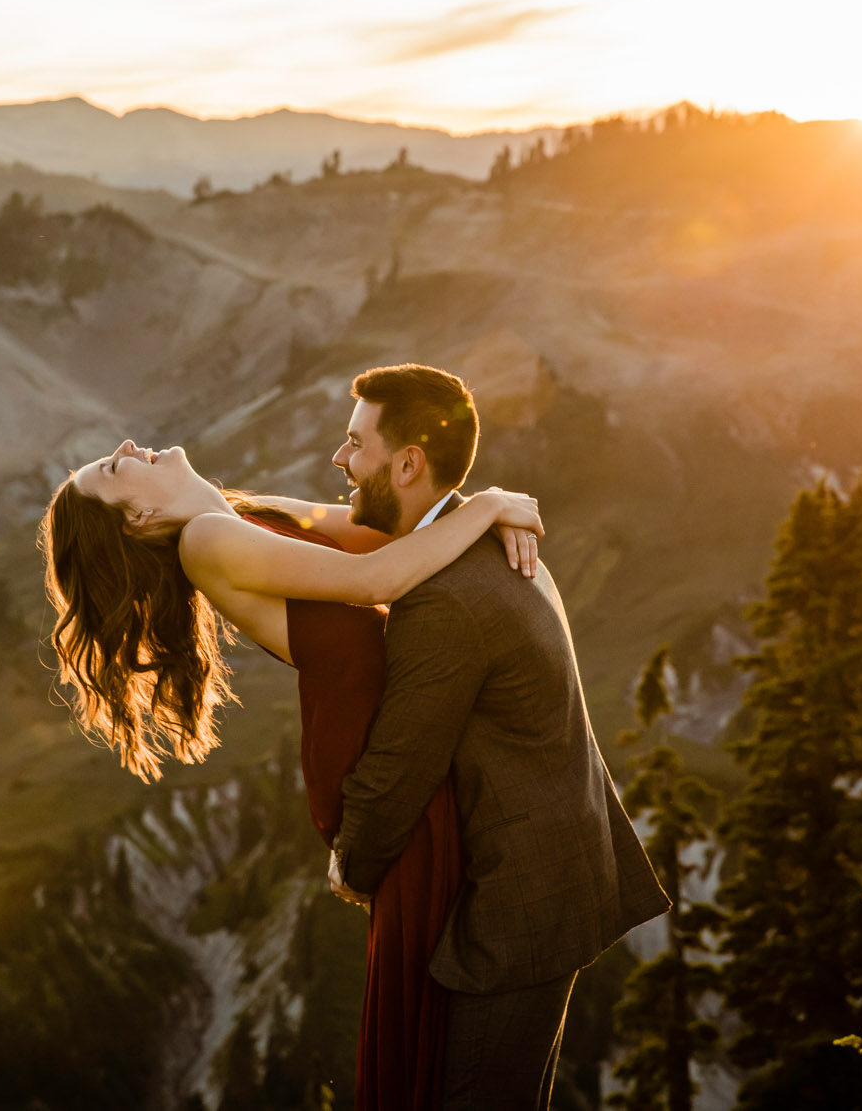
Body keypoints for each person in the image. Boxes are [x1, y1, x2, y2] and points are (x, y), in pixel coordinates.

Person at [39, 417, 542, 1108]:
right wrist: (492, 506)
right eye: (113, 470)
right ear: (143, 515)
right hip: (388, 785)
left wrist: (500, 510)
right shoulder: (206, 540)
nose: (126, 447)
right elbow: (378, 575)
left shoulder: (235, 513)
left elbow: (394, 534)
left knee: (459, 1038)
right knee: (449, 1046)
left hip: (411, 766)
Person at [330, 364, 669, 1111]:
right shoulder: (485, 538)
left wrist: (351, 863)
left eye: (355, 444)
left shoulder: (446, 598)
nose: (340, 460)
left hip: (518, 912)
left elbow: (397, 766)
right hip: (556, 879)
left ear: (408, 463)